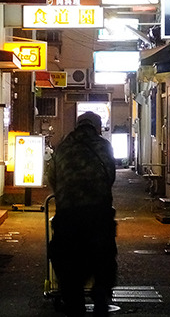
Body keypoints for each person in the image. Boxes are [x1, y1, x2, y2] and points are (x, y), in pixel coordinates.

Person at [47, 111, 117, 317]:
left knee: (66, 260)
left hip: (68, 215)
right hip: (99, 213)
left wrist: (65, 194)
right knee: (104, 256)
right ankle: (101, 294)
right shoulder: (104, 146)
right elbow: (110, 175)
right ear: (97, 127)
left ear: (77, 126)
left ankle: (73, 301)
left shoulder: (63, 147)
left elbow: (52, 177)